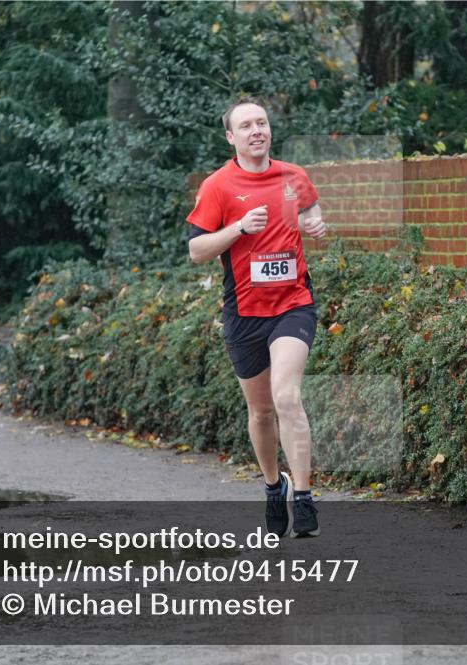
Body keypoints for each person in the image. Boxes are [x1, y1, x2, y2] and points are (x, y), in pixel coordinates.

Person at [187, 97, 326, 538]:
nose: (256, 130)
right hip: (244, 312)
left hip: (293, 303)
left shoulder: (294, 176)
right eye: (245, 125)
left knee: (287, 396)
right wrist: (238, 228)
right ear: (231, 137)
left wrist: (314, 226)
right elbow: (196, 250)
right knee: (262, 411)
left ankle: (303, 498)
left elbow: (311, 214)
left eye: (261, 123)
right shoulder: (217, 186)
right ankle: (273, 486)